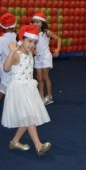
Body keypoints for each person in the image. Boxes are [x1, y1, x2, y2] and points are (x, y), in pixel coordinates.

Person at [1, 25, 51, 156]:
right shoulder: (17, 54)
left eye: (34, 42)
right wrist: (12, 52)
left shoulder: (29, 53)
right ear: (22, 39)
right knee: (29, 117)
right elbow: (6, 68)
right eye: (29, 41)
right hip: (18, 90)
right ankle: (38, 146)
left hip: (28, 88)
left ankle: (15, 141)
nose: (32, 45)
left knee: (28, 117)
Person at [31, 11, 61, 105]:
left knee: (45, 76)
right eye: (34, 22)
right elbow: (30, 45)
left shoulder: (46, 32)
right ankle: (41, 96)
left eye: (38, 22)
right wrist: (32, 51)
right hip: (37, 58)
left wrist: (57, 50)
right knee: (39, 78)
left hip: (46, 57)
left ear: (42, 23)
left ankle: (49, 96)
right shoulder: (32, 34)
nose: (36, 24)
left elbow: (59, 39)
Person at [0, 13, 17, 101]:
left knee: (4, 88)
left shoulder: (1, 39)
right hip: (16, 65)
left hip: (4, 66)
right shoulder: (17, 37)